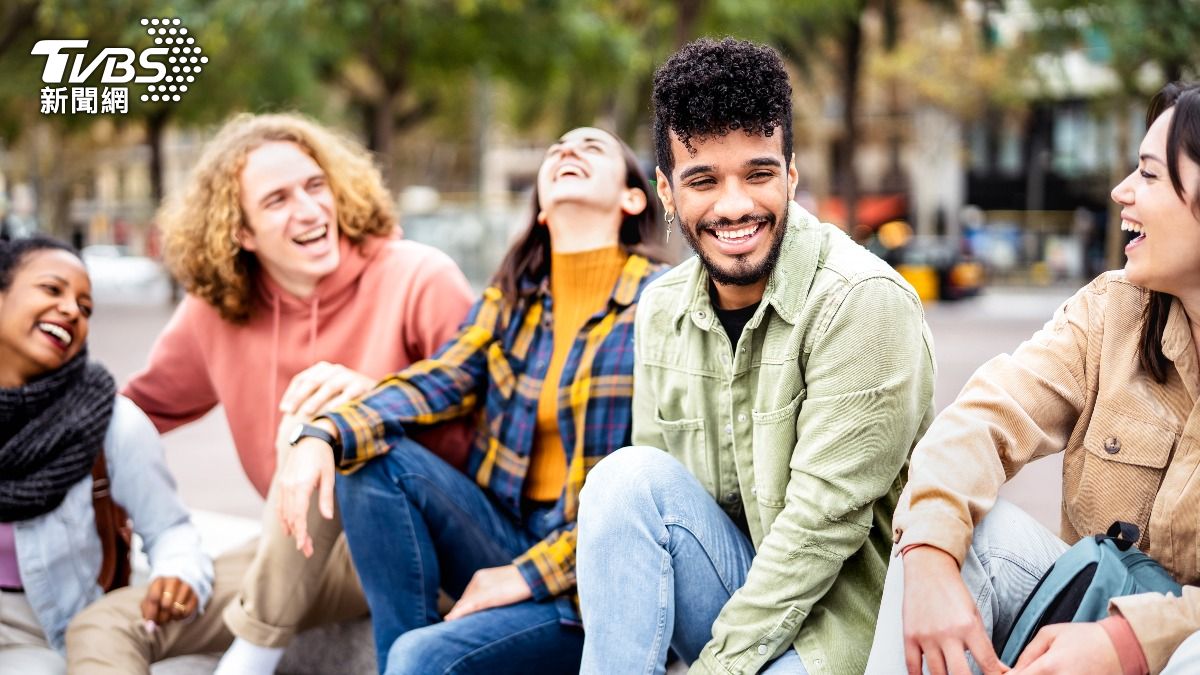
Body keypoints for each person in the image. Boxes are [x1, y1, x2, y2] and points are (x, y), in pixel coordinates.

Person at [573, 38, 937, 675]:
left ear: (791, 174)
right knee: (621, 481)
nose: (734, 205)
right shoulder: (659, 309)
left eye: (759, 174)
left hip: (850, 625)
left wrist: (716, 668)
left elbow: (819, 533)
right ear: (665, 190)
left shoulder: (862, 301)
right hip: (738, 599)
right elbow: (662, 509)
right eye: (703, 180)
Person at [65, 113, 475, 674]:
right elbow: (135, 412)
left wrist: (376, 402)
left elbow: (484, 427)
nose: (309, 211)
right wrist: (95, 486)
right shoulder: (219, 310)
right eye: (277, 200)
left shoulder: (419, 277)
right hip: (292, 548)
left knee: (318, 420)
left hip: (408, 540)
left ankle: (251, 656)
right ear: (241, 231)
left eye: (314, 185)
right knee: (103, 625)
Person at [275, 126, 667, 674]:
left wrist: (527, 575)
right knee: (367, 459)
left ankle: (414, 660)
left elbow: (660, 492)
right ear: (543, 211)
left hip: (595, 581)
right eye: (555, 150)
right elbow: (436, 380)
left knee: (422, 657)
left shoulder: (661, 304)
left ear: (633, 198)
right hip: (502, 535)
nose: (566, 152)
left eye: (590, 147)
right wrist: (324, 431)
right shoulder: (513, 301)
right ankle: (407, 659)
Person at [865, 82, 1200, 675]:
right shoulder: (1114, 312)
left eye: (1149, 176)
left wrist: (1131, 641)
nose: (1121, 191)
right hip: (1078, 634)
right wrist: (929, 554)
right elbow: (980, 419)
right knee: (953, 534)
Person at [0, 236, 210, 674]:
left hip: (54, 634)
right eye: (52, 289)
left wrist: (179, 575)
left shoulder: (111, 422)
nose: (72, 310)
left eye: (85, 306)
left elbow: (171, 529)